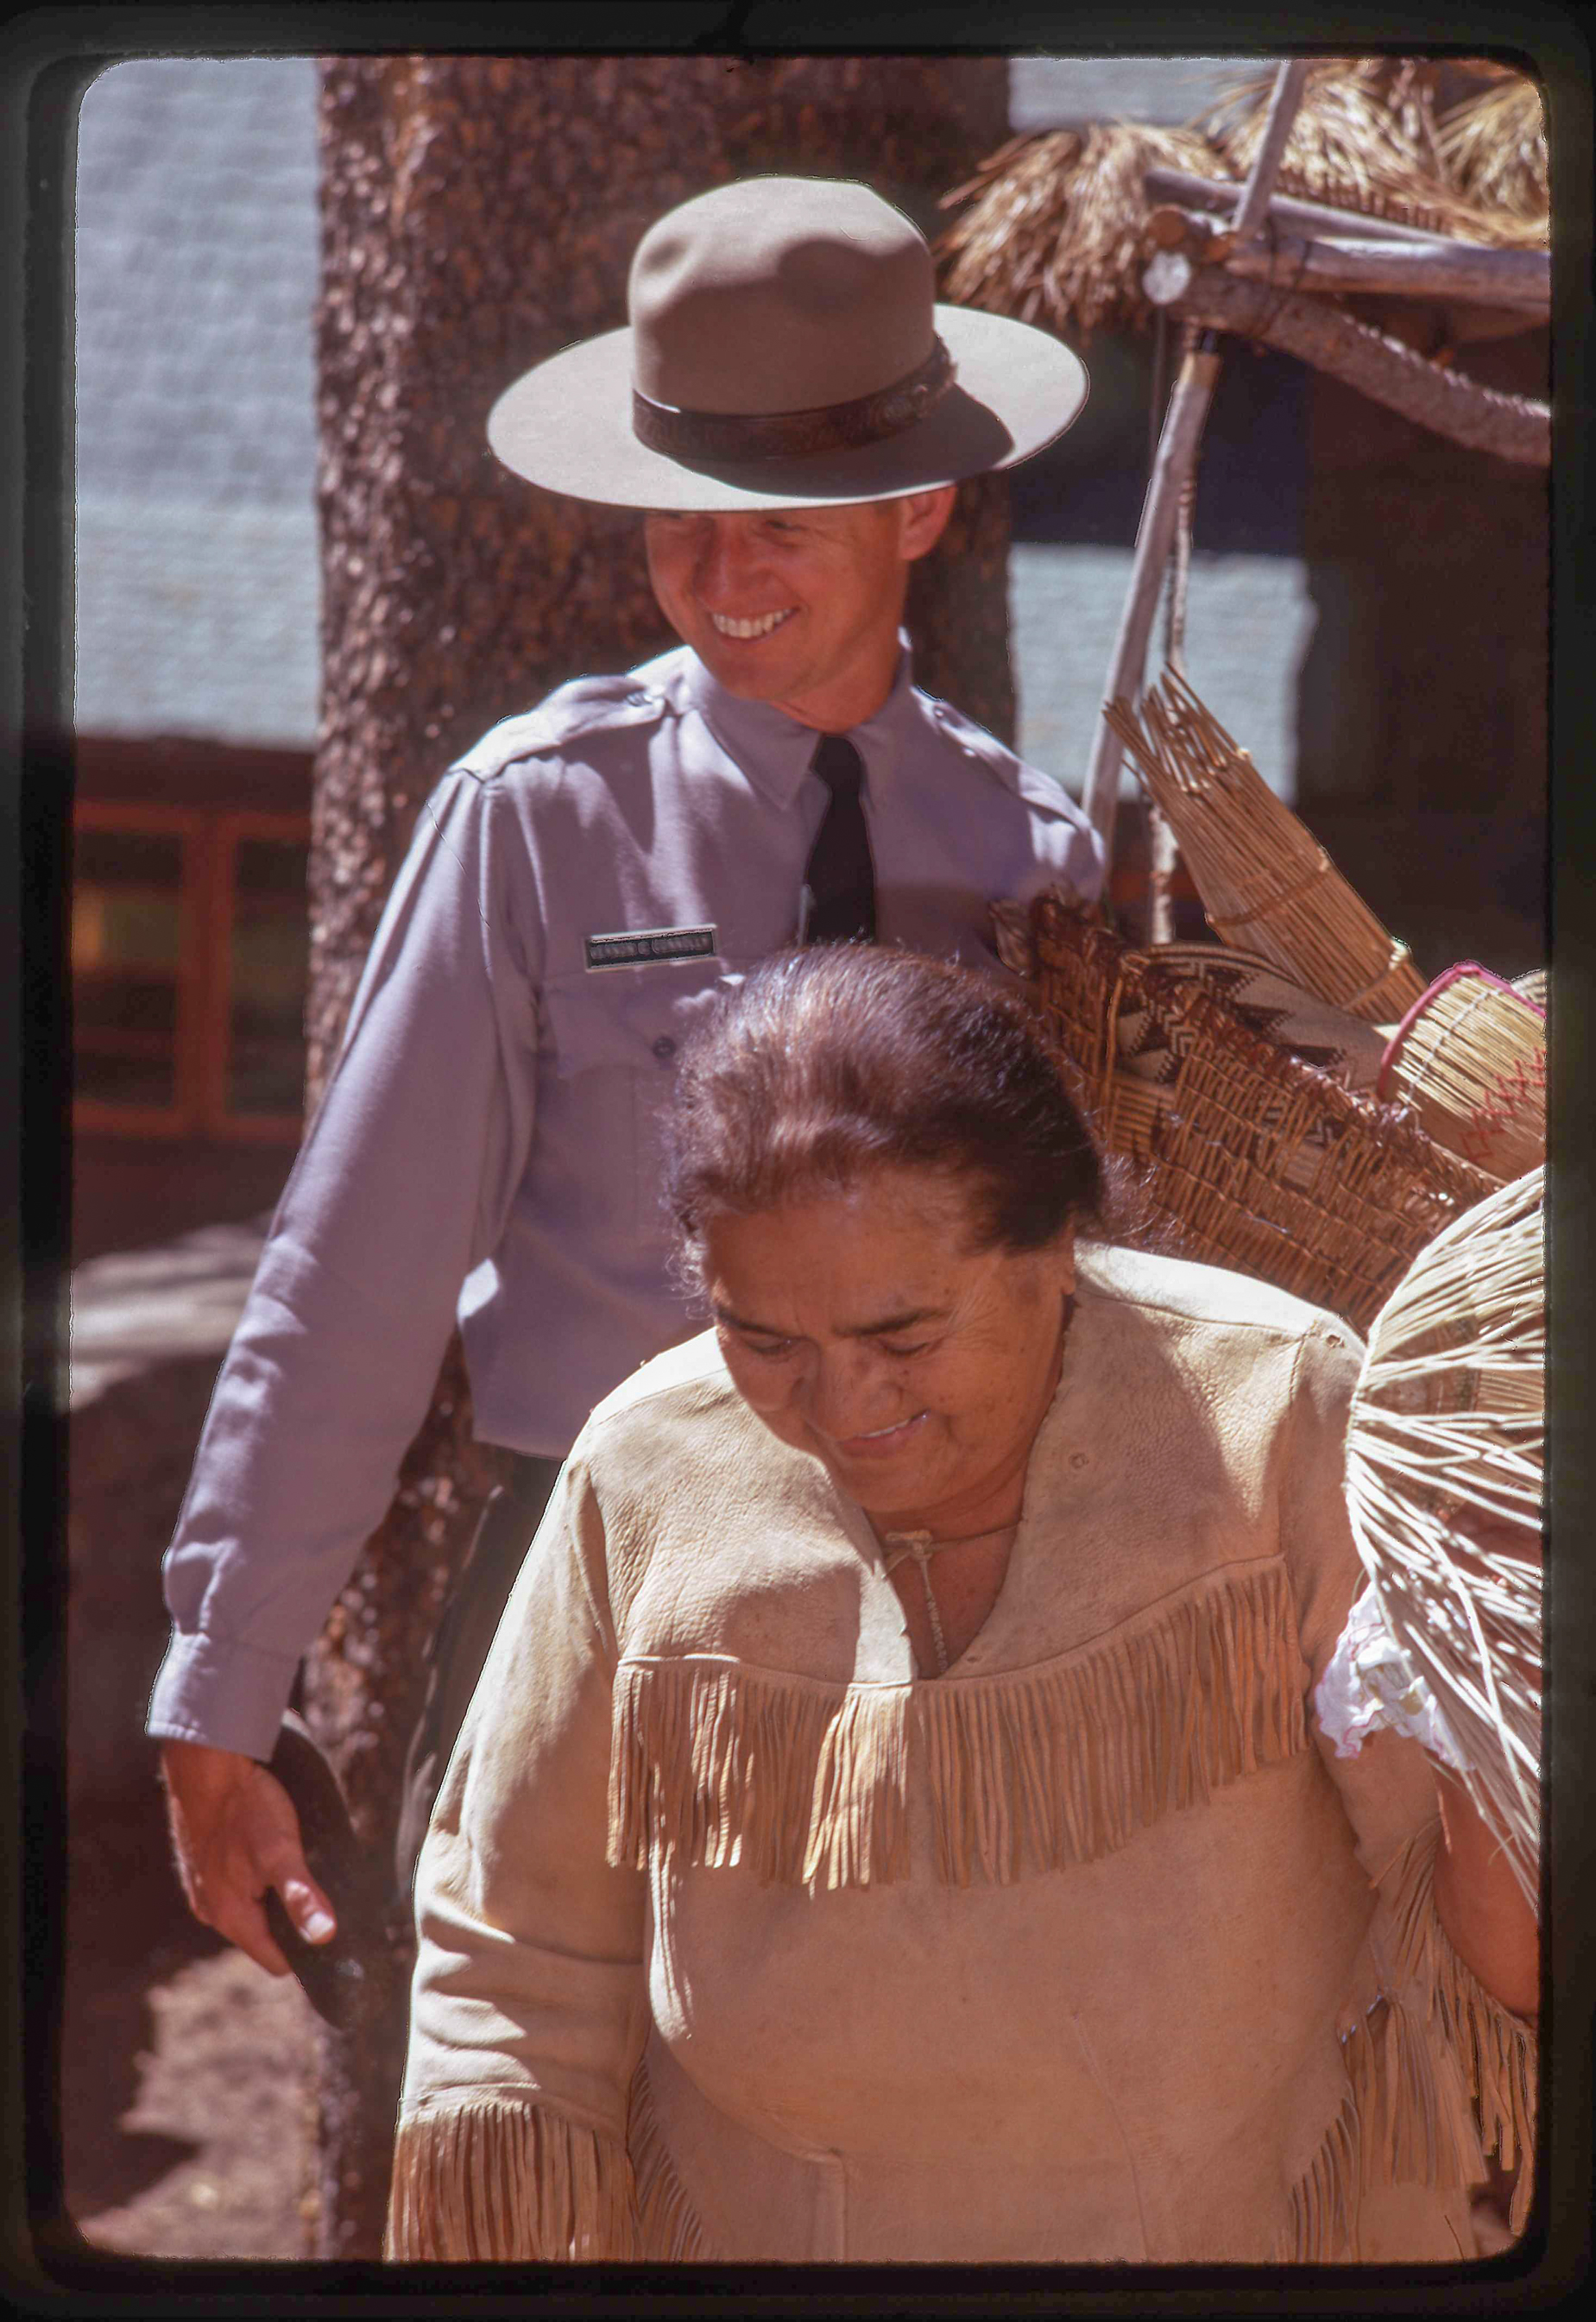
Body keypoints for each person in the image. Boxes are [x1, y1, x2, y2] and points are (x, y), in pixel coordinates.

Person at [149, 174, 1103, 1984]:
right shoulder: (539, 815)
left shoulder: (1029, 852)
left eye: (779, 522)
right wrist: (226, 1681)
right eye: (681, 520)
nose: (721, 576)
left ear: (919, 503)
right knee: (535, 2177)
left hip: (952, 1622)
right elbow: (351, 1275)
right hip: (587, 1589)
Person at [388, 946, 1536, 2265]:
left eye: (904, 1335)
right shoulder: (645, 1462)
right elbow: (513, 1948)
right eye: (763, 1341)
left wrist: (1501, 1641)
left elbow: (1465, 1935)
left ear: (1055, 1245)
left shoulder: (1272, 1412)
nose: (841, 1407)